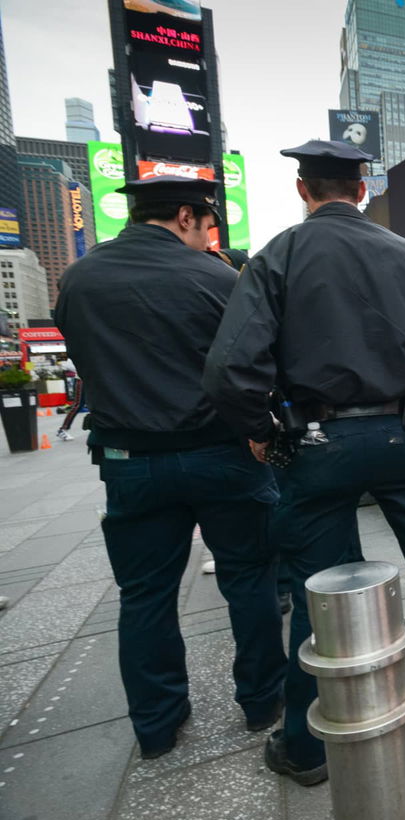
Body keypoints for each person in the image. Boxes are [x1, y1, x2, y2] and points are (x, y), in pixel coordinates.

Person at [203, 141, 405, 787]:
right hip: (401, 440)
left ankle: (307, 749)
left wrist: (265, 435)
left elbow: (227, 369)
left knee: (319, 589)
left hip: (317, 442)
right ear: (361, 192)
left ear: (304, 189)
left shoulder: (278, 255)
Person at [54, 177, 286, 760]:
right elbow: (251, 364)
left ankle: (157, 725)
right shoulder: (215, 277)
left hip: (129, 459)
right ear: (186, 215)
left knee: (145, 595)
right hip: (222, 455)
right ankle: (262, 700)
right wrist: (260, 430)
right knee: (249, 579)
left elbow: (83, 356)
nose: (208, 235)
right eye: (207, 224)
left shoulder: (79, 278)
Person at [56, 366, 84, 441]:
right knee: (78, 405)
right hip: (82, 380)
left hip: (92, 380)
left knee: (96, 404)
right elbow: (67, 364)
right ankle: (63, 429)